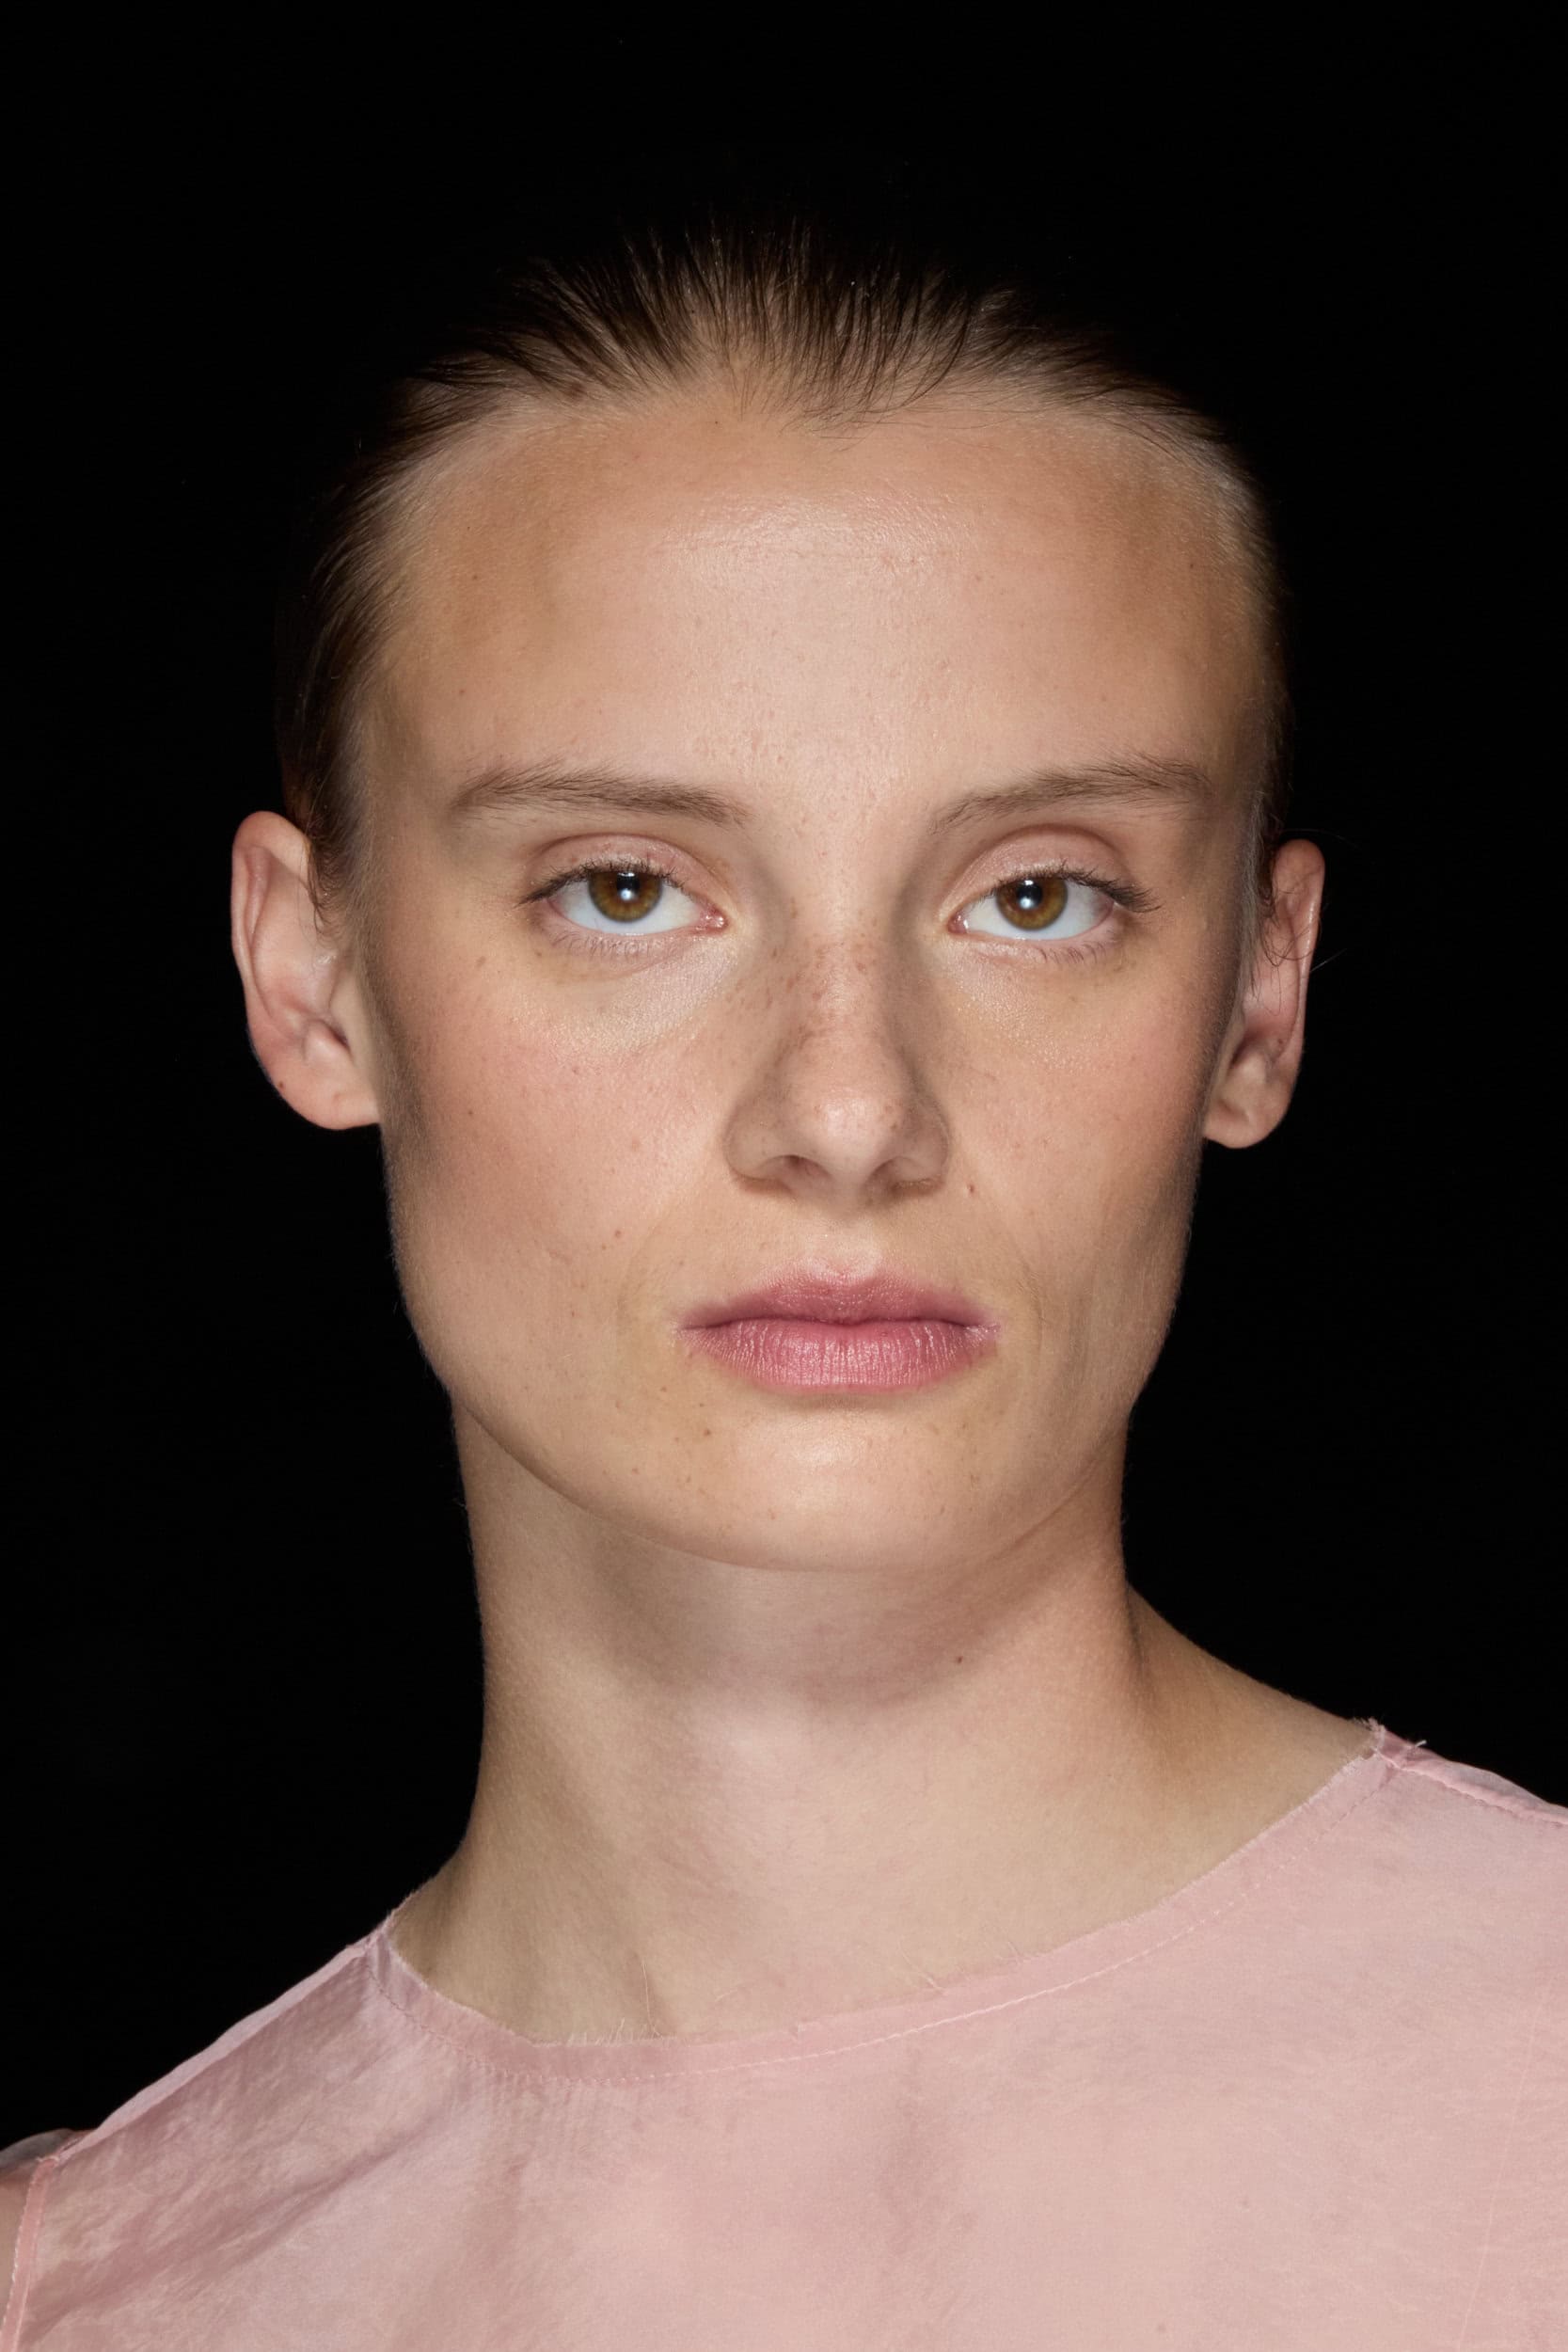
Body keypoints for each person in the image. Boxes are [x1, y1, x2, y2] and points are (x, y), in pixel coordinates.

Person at [3, 154, 1561, 2350]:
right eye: (626, 888)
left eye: (1036, 895)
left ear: (1260, 995)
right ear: (311, 974)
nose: (846, 1110)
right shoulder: (100, 2291)